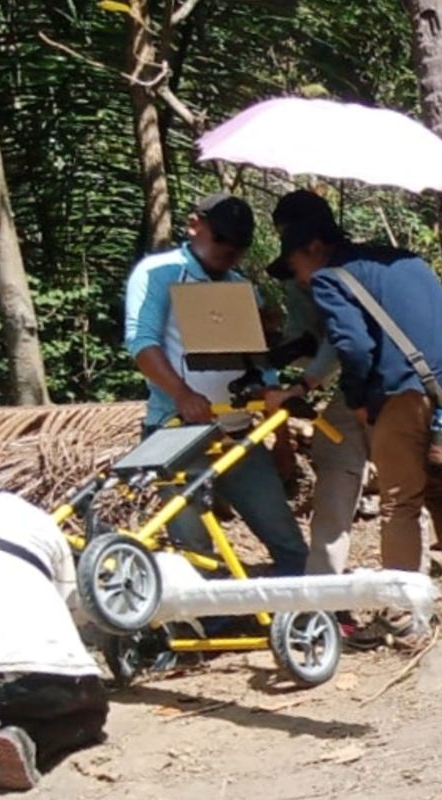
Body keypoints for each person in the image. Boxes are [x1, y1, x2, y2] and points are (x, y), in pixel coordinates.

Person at [270, 212, 442, 632]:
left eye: (296, 266)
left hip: (407, 393)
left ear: (315, 248)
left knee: (400, 501)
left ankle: (401, 611)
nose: (299, 278)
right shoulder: (405, 260)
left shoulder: (330, 278)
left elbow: (353, 346)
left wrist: (359, 402)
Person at [123, 192, 308, 576]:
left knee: (286, 538)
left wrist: (284, 441)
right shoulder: (159, 272)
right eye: (221, 238)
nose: (230, 251)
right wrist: (182, 395)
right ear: (196, 226)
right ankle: (209, 626)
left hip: (238, 434)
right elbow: (142, 342)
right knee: (194, 547)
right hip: (177, 435)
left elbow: (260, 365)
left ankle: (306, 614)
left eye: (239, 244)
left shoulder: (241, 287)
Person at [0, 419, 109, 791]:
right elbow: (74, 608)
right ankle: (29, 740)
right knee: (88, 717)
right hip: (43, 680)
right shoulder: (32, 519)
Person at [263, 191, 371, 578]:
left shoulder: (354, 270)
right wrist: (276, 354)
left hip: (389, 382)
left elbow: (343, 341)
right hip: (352, 383)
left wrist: (306, 384)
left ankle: (407, 587)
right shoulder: (298, 279)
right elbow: (305, 335)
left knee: (404, 486)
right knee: (334, 452)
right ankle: (323, 579)